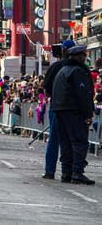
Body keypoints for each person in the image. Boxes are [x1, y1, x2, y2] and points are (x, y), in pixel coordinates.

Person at [51, 43, 95, 185]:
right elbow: (83, 95)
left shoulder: (63, 70)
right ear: (80, 56)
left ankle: (66, 172)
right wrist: (88, 113)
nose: (85, 57)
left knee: (66, 143)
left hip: (60, 110)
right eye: (84, 55)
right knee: (79, 141)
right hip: (73, 111)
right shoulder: (78, 71)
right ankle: (77, 172)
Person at [41, 40, 71, 180]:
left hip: (57, 107)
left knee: (54, 139)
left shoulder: (56, 66)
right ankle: (69, 172)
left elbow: (45, 88)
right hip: (72, 109)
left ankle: (49, 171)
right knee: (71, 141)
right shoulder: (80, 68)